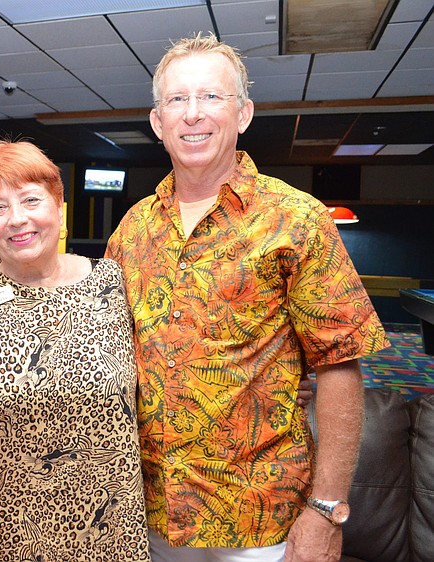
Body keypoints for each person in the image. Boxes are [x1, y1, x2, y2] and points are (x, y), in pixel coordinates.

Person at [104, 34, 389, 561]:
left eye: (212, 96)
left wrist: (327, 508)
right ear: (157, 121)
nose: (193, 113)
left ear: (244, 114)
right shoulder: (132, 229)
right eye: (177, 99)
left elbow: (340, 366)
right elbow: (91, 328)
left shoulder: (297, 219)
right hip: (150, 511)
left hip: (260, 516)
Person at [0, 140, 151, 562]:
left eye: (30, 200)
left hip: (108, 539)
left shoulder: (115, 284)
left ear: (59, 204)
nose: (16, 219)